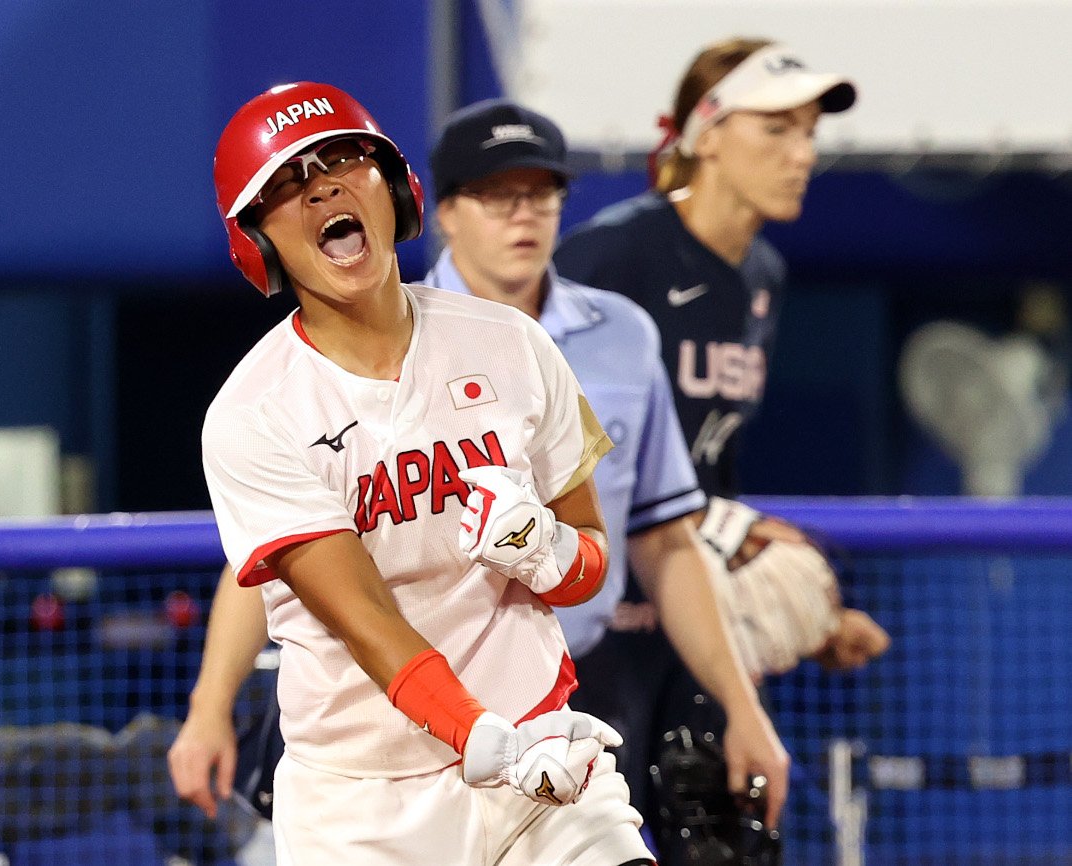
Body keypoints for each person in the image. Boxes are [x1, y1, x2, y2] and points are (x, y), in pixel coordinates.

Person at [170, 92, 790, 864]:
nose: (325, 187)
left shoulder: (514, 346)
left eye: (343, 160)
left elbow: (593, 562)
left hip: (540, 762)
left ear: (394, 190)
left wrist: (547, 549)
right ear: (256, 239)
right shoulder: (254, 412)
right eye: (290, 182)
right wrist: (483, 739)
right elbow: (367, 620)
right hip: (364, 804)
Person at [554, 38, 892, 860]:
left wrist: (805, 609)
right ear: (705, 134)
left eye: (809, 131)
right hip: (586, 629)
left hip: (682, 615)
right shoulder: (609, 257)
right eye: (775, 129)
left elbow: (710, 471)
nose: (802, 153)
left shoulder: (763, 274)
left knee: (726, 835)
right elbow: (543, 449)